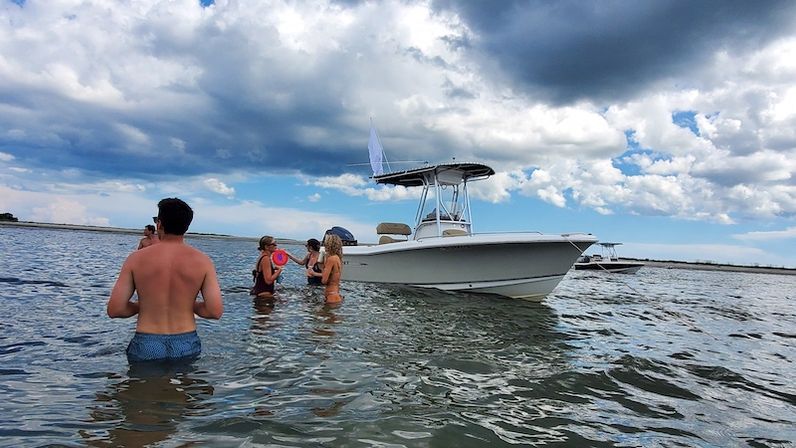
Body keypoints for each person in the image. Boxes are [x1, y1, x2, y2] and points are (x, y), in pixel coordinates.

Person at [107, 198, 223, 363]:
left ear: (159, 224)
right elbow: (214, 311)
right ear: (186, 227)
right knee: (183, 387)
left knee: (142, 387)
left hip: (147, 342)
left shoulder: (136, 259)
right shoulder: (203, 261)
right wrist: (187, 304)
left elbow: (115, 310)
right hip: (185, 342)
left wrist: (145, 304)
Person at [310, 234, 343, 304]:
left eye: (325, 244)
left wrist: (319, 268)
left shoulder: (331, 259)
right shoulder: (337, 258)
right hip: (336, 293)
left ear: (329, 245)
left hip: (331, 295)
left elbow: (324, 280)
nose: (324, 246)